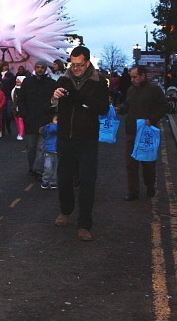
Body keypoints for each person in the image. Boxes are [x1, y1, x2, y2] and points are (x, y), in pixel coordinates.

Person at [52, 46, 109, 242]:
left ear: (87, 63)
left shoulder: (99, 82)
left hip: (87, 139)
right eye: (72, 64)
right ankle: (65, 210)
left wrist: (79, 97)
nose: (75, 68)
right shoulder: (63, 79)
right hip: (65, 137)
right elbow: (50, 104)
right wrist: (55, 98)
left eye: (79, 65)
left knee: (87, 180)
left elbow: (102, 108)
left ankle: (84, 224)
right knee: (64, 178)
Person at [116, 66, 168, 201]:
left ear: (143, 76)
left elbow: (164, 106)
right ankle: (133, 191)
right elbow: (127, 105)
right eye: (131, 77)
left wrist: (152, 119)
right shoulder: (131, 90)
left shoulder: (154, 90)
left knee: (148, 164)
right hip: (132, 131)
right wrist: (120, 109)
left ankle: (150, 186)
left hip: (146, 133)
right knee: (131, 164)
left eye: (135, 77)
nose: (132, 80)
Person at [17, 59, 56, 178]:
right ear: (35, 68)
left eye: (42, 67)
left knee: (41, 147)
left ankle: (38, 169)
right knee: (31, 147)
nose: (40, 69)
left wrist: (51, 117)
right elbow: (21, 99)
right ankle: (32, 167)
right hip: (30, 119)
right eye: (38, 67)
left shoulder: (51, 83)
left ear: (45, 69)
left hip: (44, 119)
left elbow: (54, 101)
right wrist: (24, 114)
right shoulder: (27, 82)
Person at [40, 113, 58, 189]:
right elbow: (53, 129)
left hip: (56, 150)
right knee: (48, 166)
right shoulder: (50, 127)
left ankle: (53, 181)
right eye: (56, 120)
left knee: (55, 167)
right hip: (49, 151)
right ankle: (46, 180)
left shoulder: (50, 127)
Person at [0, 61, 16, 135]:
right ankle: (2, 129)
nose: (7, 66)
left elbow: (13, 84)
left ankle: (8, 126)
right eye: (5, 65)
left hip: (8, 95)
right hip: (0, 96)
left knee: (8, 113)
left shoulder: (10, 75)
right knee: (1, 113)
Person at [11, 75, 25, 141]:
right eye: (17, 82)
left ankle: (21, 134)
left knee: (20, 120)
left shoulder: (24, 90)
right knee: (17, 121)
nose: (17, 83)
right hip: (15, 107)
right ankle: (19, 133)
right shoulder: (14, 89)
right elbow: (13, 98)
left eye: (19, 82)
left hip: (22, 107)